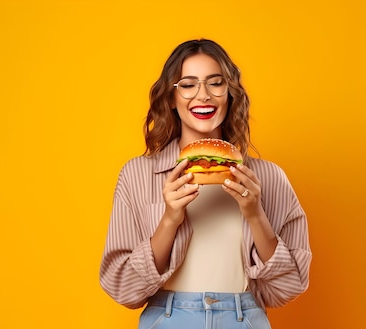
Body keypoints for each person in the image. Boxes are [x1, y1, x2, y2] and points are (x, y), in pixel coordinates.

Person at [99, 39, 311, 329]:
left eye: (215, 83)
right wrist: (169, 220)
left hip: (243, 318)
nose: (203, 95)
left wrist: (254, 213)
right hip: (168, 319)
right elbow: (123, 288)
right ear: (172, 98)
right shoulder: (137, 175)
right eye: (187, 85)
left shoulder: (270, 178)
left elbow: (290, 286)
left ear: (230, 93)